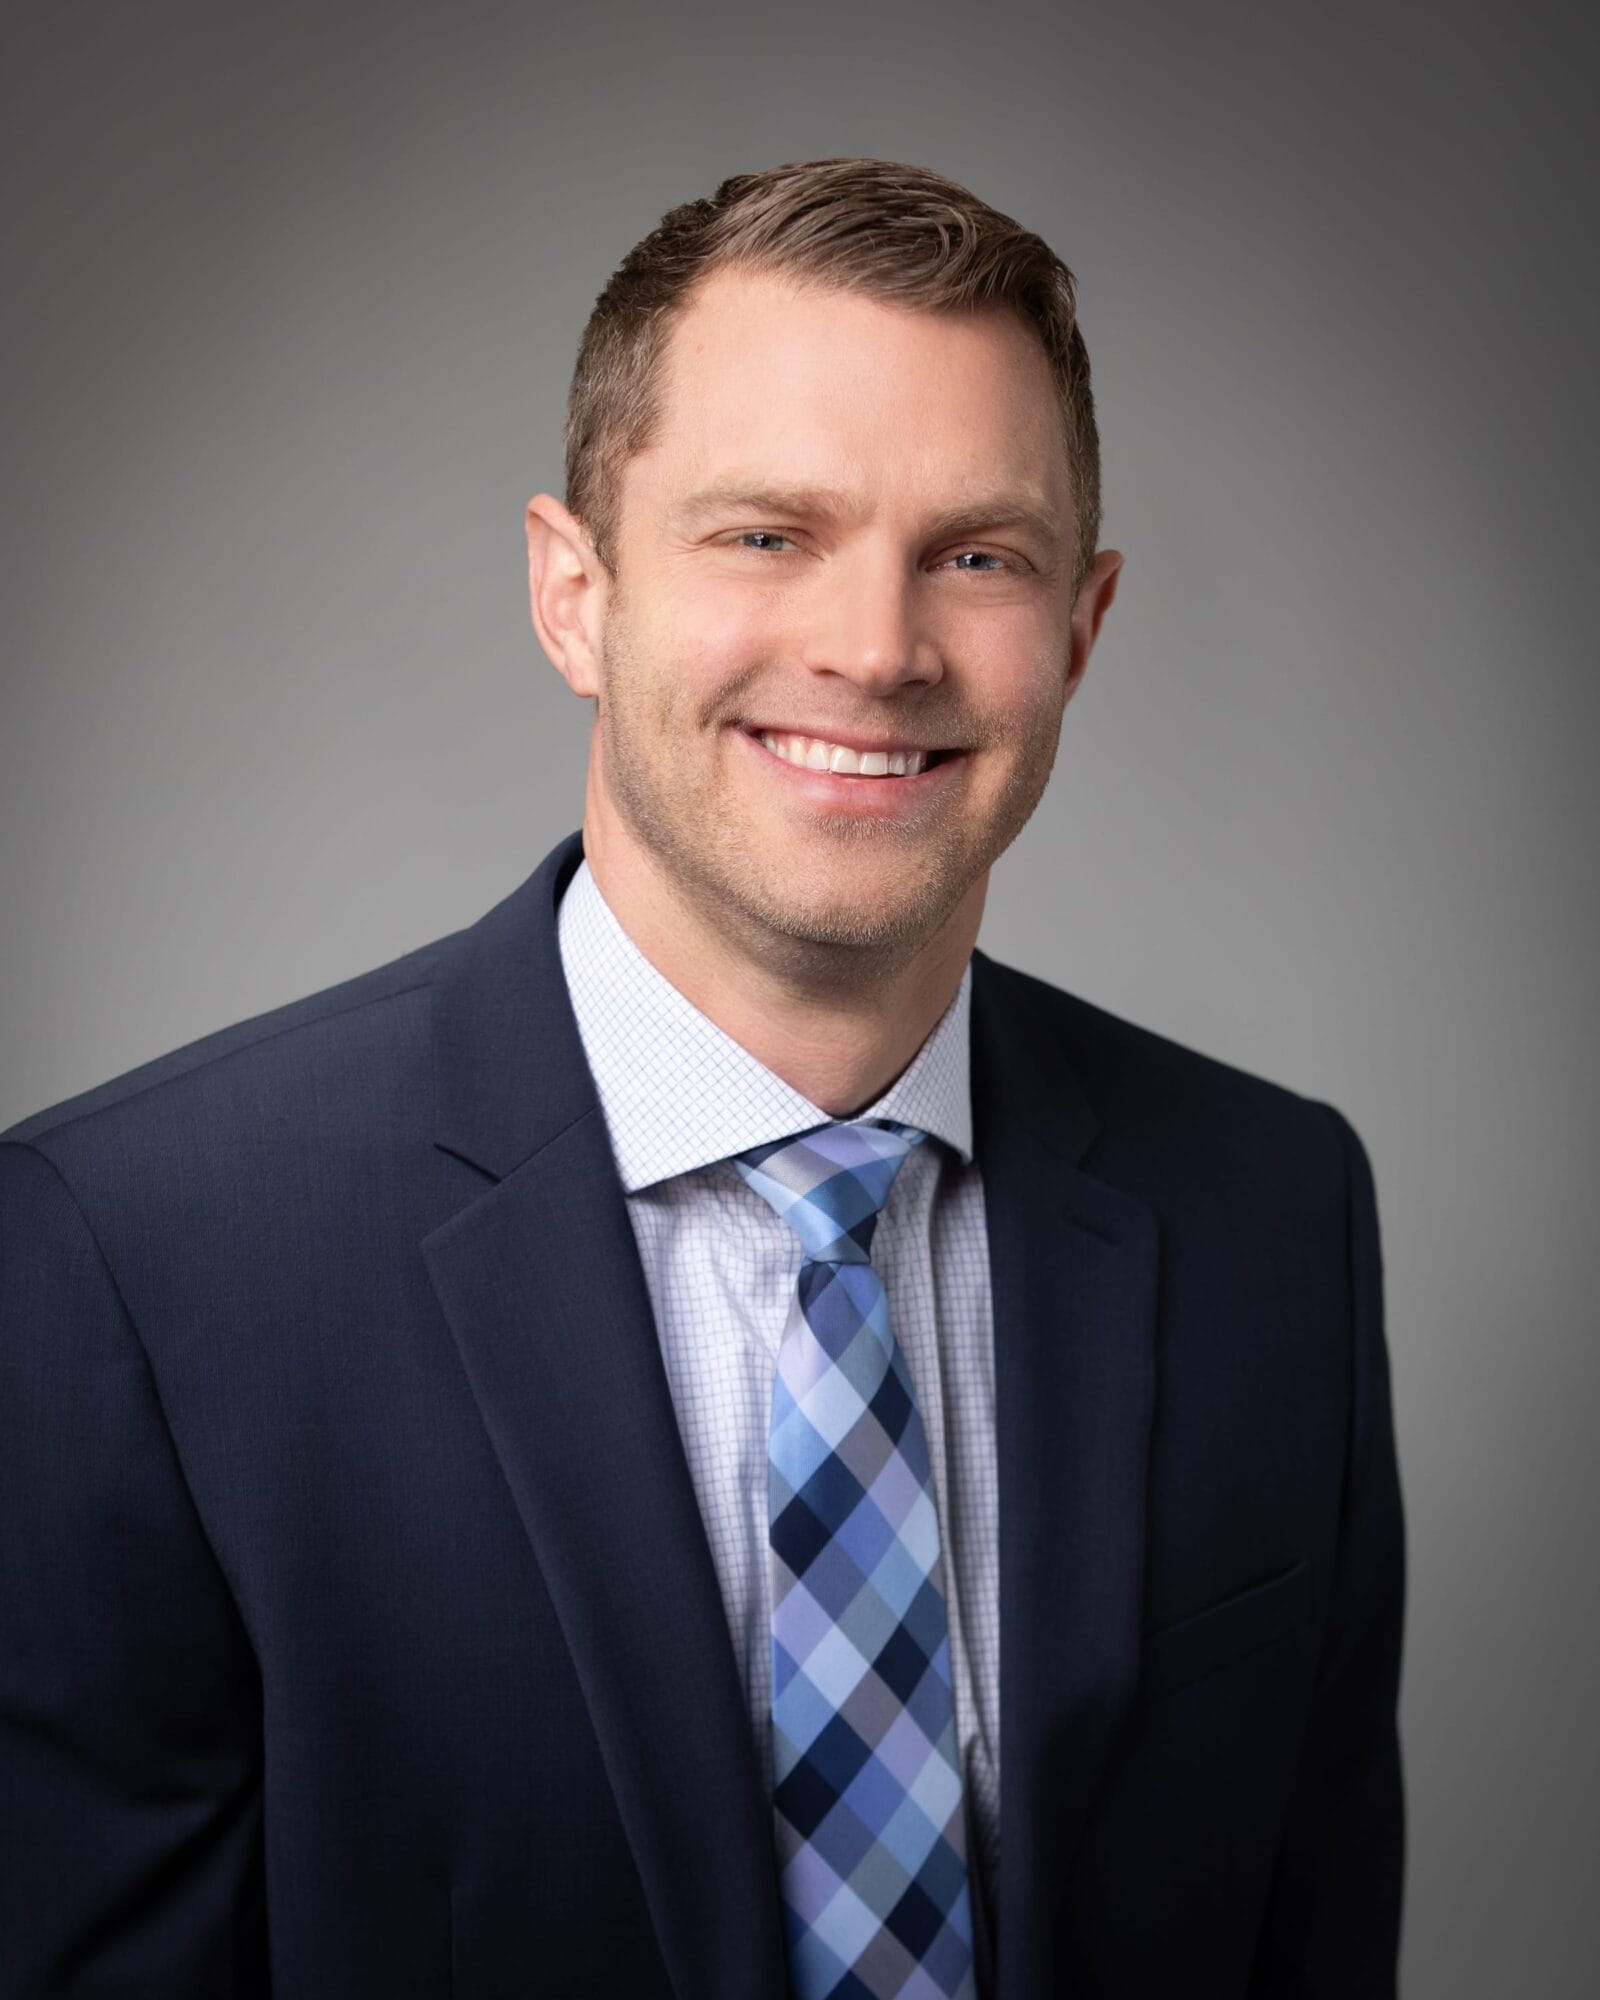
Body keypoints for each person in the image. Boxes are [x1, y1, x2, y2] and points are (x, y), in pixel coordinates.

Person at [0, 158, 1405, 1999]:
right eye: (764, 535)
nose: (875, 649)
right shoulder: (129, 1264)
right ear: (572, 595)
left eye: (977, 555)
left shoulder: (1276, 1214)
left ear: (1081, 625)